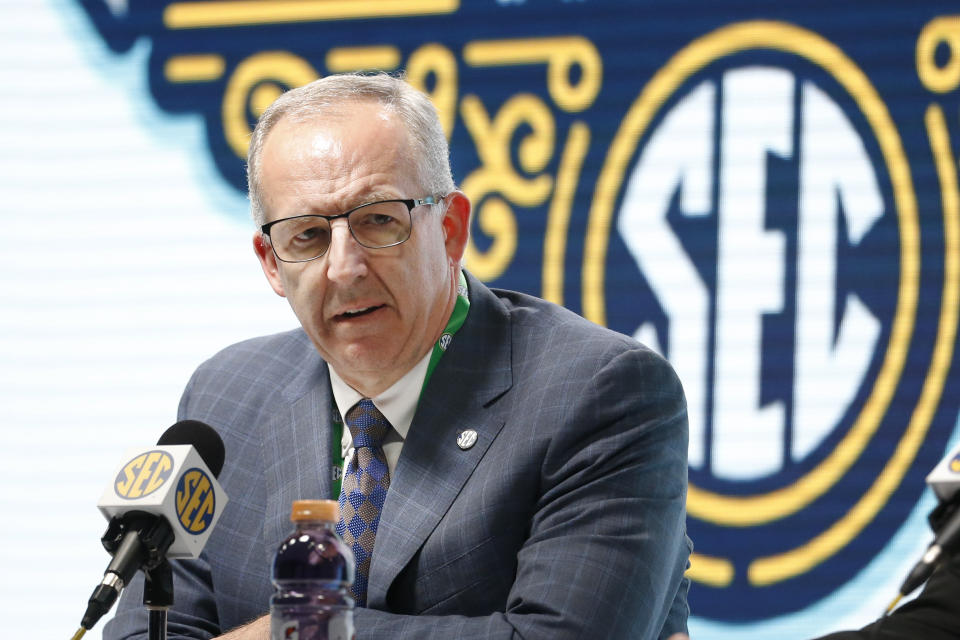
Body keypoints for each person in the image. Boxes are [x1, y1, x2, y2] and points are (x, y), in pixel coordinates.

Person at [103, 72, 691, 639]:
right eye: (306, 235)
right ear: (270, 262)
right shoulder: (226, 396)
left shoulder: (602, 394)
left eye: (379, 221)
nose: (344, 267)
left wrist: (300, 632)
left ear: (451, 229)